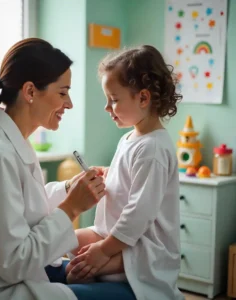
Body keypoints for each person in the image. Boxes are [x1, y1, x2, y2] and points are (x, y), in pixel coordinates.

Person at [0, 38, 106, 300]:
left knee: (103, 272)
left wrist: (68, 189)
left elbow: (21, 205)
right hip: (5, 288)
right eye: (63, 92)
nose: (69, 104)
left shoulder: (9, 140)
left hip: (27, 272)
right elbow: (15, 262)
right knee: (129, 290)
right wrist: (71, 208)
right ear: (30, 92)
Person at [65, 45, 185, 300]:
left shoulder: (152, 149)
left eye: (114, 99)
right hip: (115, 234)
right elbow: (133, 179)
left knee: (80, 269)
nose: (108, 107)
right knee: (67, 239)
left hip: (142, 246)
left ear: (143, 98)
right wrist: (110, 173)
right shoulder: (131, 138)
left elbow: (138, 214)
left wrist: (103, 250)